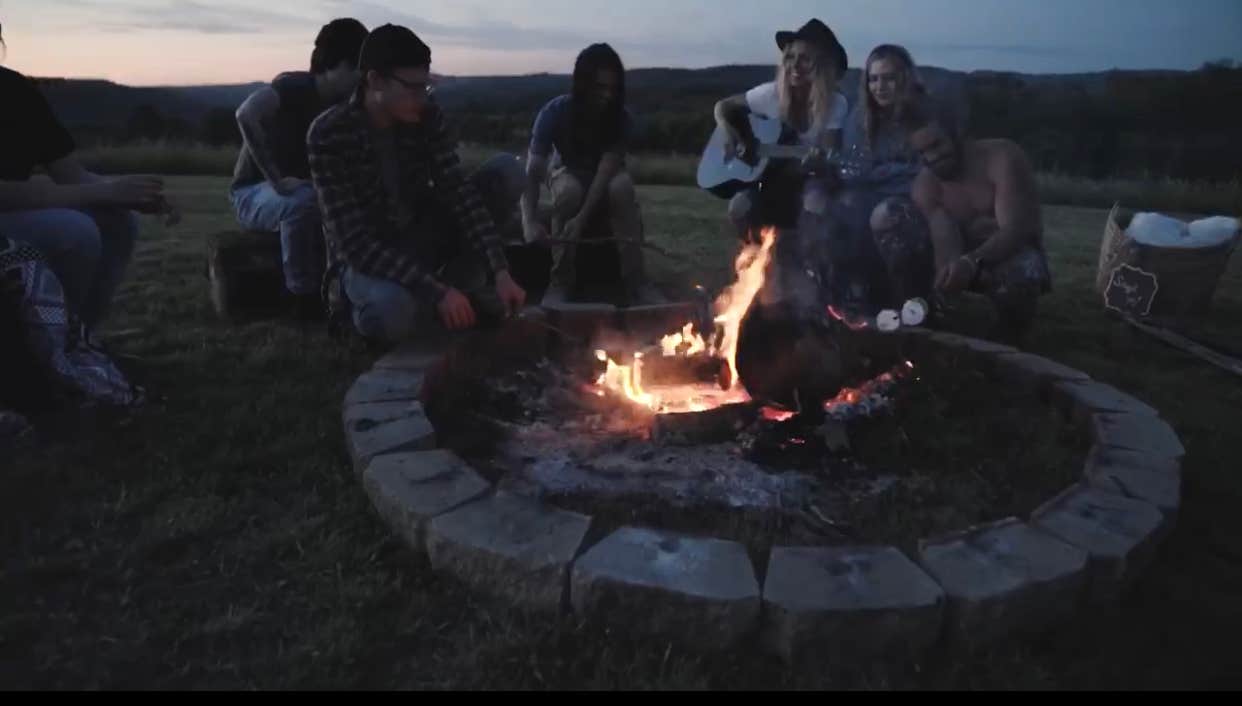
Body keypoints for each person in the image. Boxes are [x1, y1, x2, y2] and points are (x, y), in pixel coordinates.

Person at [307, 24, 527, 344]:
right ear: (375, 81)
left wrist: (500, 271)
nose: (421, 98)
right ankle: (351, 312)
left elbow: (458, 191)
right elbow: (355, 244)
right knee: (392, 312)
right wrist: (437, 292)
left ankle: (461, 288)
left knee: (507, 172)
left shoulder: (426, 116)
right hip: (368, 256)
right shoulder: (328, 134)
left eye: (425, 87)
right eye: (412, 88)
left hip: (420, 235)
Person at [0, 22, 176, 331]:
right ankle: (52, 347)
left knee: (117, 219)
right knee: (73, 230)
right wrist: (103, 192)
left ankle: (80, 338)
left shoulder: (13, 89)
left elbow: (71, 175)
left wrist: (132, 193)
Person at [229, 18, 369, 318]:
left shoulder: (344, 105)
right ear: (340, 64)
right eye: (359, 68)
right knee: (303, 202)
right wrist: (276, 181)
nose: (362, 78)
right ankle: (302, 297)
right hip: (252, 194)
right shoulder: (293, 87)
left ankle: (346, 292)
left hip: (303, 193)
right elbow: (246, 114)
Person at [891, 104, 1052, 342]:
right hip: (967, 260)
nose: (932, 158)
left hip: (1007, 255)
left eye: (937, 145)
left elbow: (1016, 230)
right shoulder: (925, 185)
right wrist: (950, 271)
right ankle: (924, 317)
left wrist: (972, 260)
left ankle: (1011, 340)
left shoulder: (1002, 156)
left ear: (957, 133)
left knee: (1025, 267)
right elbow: (944, 237)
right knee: (893, 215)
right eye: (922, 153)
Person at [520, 43, 658, 305]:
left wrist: (581, 219)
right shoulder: (554, 113)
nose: (606, 96)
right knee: (570, 190)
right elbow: (533, 171)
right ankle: (560, 281)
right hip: (566, 171)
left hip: (607, 178)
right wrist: (528, 221)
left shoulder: (621, 119)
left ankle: (637, 281)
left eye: (612, 89)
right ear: (581, 84)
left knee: (622, 188)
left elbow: (606, 172)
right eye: (599, 88)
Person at [712, 18, 850, 239]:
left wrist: (816, 163)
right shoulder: (770, 95)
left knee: (817, 205)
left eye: (805, 59)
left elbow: (829, 160)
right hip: (768, 181)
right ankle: (756, 263)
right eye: (790, 57)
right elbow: (722, 107)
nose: (795, 65)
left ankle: (811, 267)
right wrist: (730, 134)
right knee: (739, 207)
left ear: (822, 65)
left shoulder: (836, 104)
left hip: (810, 181)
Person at [830, 44, 931, 312]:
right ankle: (857, 294)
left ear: (904, 79)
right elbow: (852, 171)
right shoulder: (860, 118)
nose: (880, 86)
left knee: (886, 214)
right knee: (842, 206)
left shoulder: (924, 114)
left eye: (888, 78)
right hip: (871, 196)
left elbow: (928, 173)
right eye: (873, 79)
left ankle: (914, 303)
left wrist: (881, 174)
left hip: (920, 203)